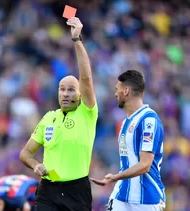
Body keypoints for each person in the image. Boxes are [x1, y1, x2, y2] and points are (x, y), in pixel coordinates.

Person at [19, 17, 97, 211]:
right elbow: (25, 153)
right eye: (62, 89)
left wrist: (77, 40)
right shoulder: (48, 118)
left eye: (71, 89)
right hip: (48, 190)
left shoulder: (87, 113)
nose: (65, 94)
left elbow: (86, 78)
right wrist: (36, 165)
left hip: (77, 191)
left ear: (80, 94)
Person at [91, 70, 166, 211]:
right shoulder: (126, 121)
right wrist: (117, 194)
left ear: (126, 91)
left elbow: (145, 164)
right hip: (122, 196)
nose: (115, 94)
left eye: (117, 89)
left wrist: (115, 177)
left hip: (146, 200)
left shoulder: (148, 120)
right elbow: (127, 162)